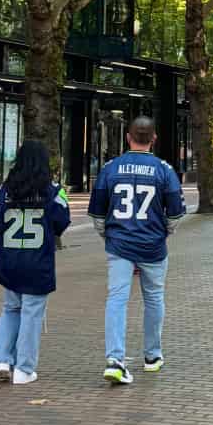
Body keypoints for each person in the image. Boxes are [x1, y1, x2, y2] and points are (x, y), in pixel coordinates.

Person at [89, 116, 186, 385]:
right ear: (154, 139)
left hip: (119, 244)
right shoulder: (164, 170)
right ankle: (152, 356)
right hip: (153, 245)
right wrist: (164, 233)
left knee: (117, 298)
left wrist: (109, 237)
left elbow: (97, 213)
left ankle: (114, 358)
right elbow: (176, 214)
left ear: (128, 137)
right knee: (154, 298)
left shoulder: (110, 168)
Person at [0, 140, 71, 385]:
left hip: (10, 259)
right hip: (37, 261)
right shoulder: (54, 191)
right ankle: (24, 369)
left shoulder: (5, 189)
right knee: (32, 313)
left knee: (10, 309)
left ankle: (3, 360)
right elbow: (62, 222)